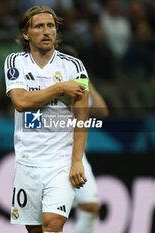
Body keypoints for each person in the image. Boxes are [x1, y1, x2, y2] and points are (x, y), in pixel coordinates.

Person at [4, 6, 90, 233]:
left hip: (60, 162)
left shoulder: (74, 67)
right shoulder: (15, 63)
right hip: (27, 161)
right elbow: (21, 102)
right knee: (35, 231)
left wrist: (77, 161)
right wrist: (60, 88)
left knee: (52, 224)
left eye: (50, 26)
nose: (46, 31)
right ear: (26, 33)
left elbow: (83, 117)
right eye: (39, 26)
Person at [58, 45, 109, 233]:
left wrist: (87, 81)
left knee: (90, 207)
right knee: (52, 215)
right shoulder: (52, 85)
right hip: (53, 155)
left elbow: (102, 111)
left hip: (78, 156)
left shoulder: (80, 87)